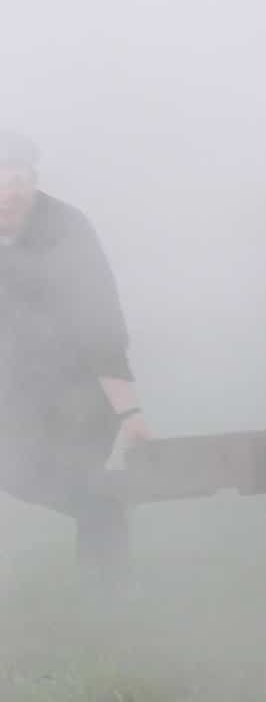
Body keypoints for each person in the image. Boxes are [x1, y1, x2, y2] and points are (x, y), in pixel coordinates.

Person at [0, 130, 152, 588]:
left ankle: (108, 601)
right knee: (26, 474)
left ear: (33, 180)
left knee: (87, 488)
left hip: (80, 392)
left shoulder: (67, 229)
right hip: (13, 389)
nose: (6, 195)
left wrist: (130, 413)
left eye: (15, 181)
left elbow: (100, 324)